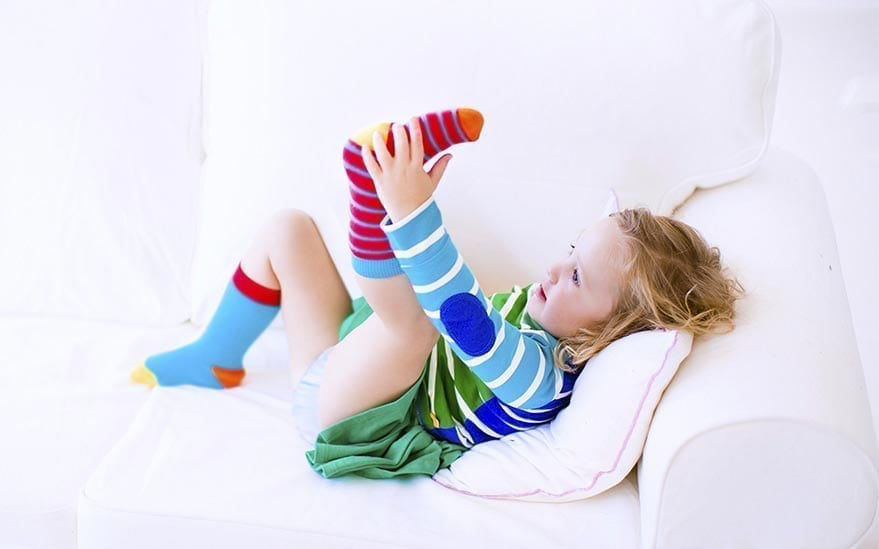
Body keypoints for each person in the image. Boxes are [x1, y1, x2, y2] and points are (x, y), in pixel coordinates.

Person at [130, 107, 746, 480]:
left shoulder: (539, 376)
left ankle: (376, 194)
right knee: (287, 229)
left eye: (579, 278)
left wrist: (412, 211)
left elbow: (462, 319)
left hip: (354, 417)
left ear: (605, 335)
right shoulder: (545, 323)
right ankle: (217, 354)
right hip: (348, 366)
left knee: (417, 323)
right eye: (570, 251)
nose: (555, 270)